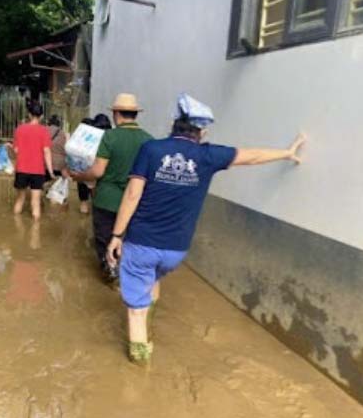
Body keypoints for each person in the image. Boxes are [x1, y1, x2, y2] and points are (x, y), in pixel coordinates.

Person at [106, 95, 306, 365]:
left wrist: (117, 236)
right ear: (202, 131)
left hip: (142, 243)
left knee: (135, 311)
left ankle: (140, 366)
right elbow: (252, 156)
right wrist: (287, 152)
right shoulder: (209, 155)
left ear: (175, 123)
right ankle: (150, 328)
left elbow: (132, 194)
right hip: (176, 250)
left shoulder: (151, 150)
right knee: (154, 279)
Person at [69, 96, 148, 279]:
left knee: (106, 241)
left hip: (106, 200)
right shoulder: (148, 140)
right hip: (135, 202)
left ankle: (110, 277)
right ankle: (127, 278)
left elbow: (97, 171)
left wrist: (79, 176)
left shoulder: (109, 137)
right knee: (127, 242)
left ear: (116, 113)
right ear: (135, 114)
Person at [8, 101, 55, 219]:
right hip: (38, 171)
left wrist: (14, 166)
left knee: (20, 200)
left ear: (29, 114)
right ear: (42, 116)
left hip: (22, 169)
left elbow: (16, 151)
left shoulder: (20, 129)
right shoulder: (44, 131)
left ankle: (15, 228)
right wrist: (50, 171)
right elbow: (46, 151)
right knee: (35, 203)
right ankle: (35, 235)